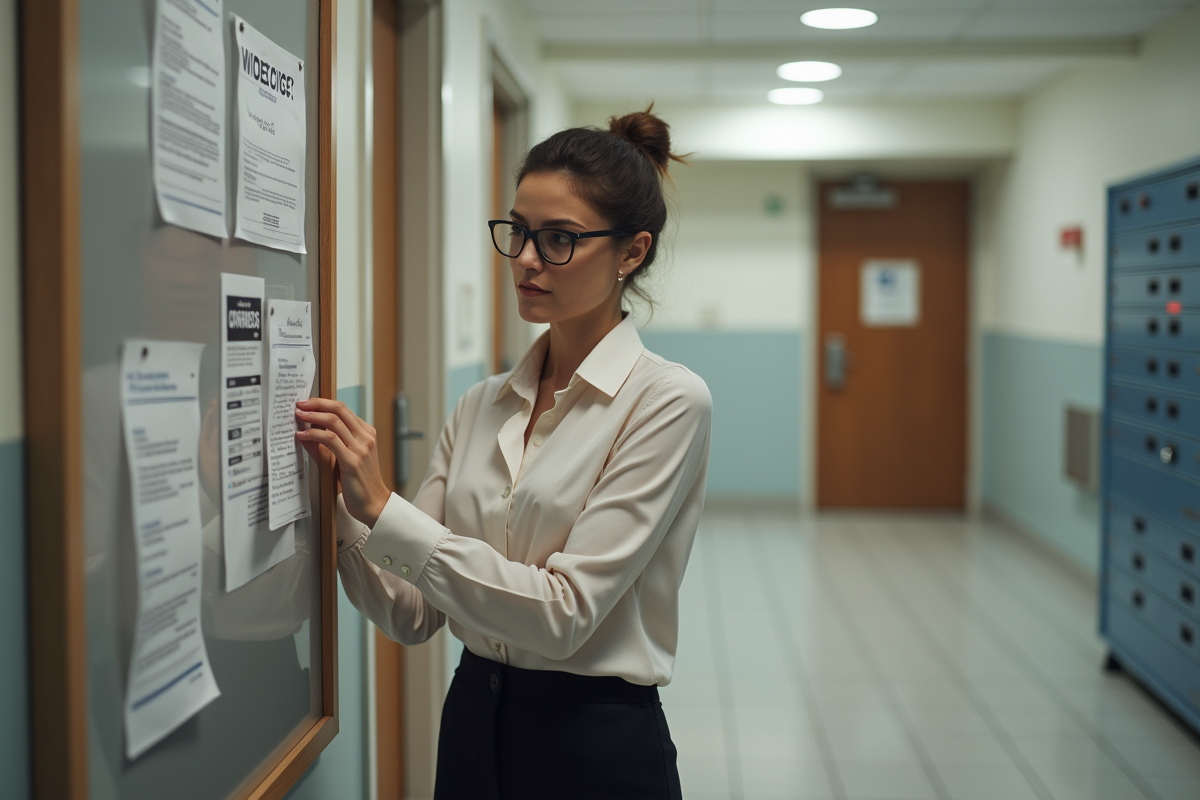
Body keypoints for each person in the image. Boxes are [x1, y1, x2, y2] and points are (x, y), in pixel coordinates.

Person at [295, 107, 712, 800]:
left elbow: (564, 614)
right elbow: (409, 610)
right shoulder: (482, 404)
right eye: (518, 231)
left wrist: (384, 508)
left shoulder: (666, 401)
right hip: (473, 720)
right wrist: (338, 504)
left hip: (595, 742)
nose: (524, 259)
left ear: (632, 252)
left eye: (557, 239)